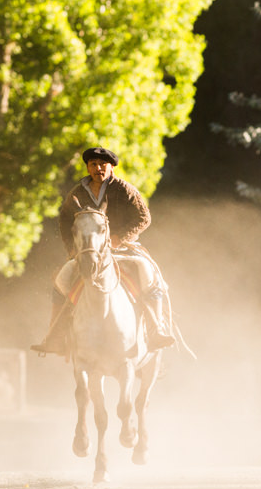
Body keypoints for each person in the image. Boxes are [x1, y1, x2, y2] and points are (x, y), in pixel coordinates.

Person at [31, 146, 175, 355]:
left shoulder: (125, 189)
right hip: (90, 252)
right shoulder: (77, 193)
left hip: (124, 248)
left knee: (147, 272)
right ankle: (54, 336)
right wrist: (72, 248)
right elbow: (64, 221)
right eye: (93, 164)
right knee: (62, 279)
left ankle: (156, 330)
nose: (98, 168)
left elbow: (144, 218)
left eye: (102, 165)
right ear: (88, 168)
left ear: (111, 167)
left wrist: (120, 237)